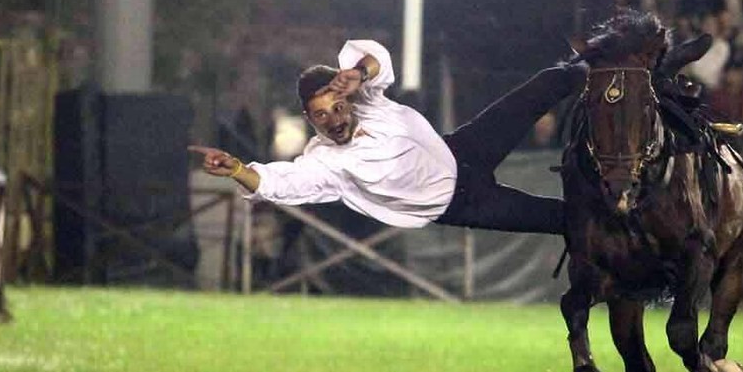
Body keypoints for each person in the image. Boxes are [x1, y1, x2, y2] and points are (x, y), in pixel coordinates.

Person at [195, 38, 584, 234]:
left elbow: (377, 58)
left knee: (548, 83)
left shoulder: (368, 100)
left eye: (336, 106)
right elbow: (280, 183)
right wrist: (237, 170)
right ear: (309, 119)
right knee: (567, 219)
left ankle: (618, 60)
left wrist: (359, 72)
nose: (333, 119)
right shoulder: (328, 164)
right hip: (463, 204)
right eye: (320, 115)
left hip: (463, 148)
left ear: (347, 98)